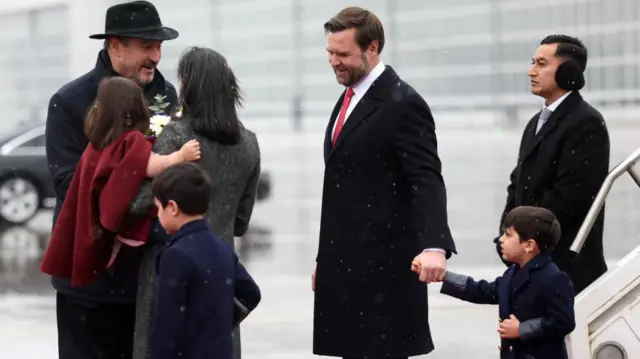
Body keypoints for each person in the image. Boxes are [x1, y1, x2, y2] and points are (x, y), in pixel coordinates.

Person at [312, 7, 457, 359]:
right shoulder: (347, 100)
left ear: (372, 48)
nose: (334, 62)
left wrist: (435, 245)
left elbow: (426, 179)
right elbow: (343, 187)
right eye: (330, 53)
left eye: (343, 54)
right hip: (347, 266)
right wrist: (325, 259)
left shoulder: (403, 104)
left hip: (385, 270)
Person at [42, 1, 179, 358]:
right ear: (115, 46)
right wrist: (136, 177)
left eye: (160, 47)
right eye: (147, 47)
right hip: (89, 275)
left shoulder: (166, 96)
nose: (157, 57)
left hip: (148, 275)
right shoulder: (71, 101)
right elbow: (70, 185)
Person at [129, 47, 261, 359]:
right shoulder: (249, 143)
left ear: (190, 86)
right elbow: (241, 222)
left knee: (159, 343)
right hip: (222, 270)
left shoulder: (176, 137)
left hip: (169, 265)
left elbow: (139, 204)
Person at [41, 77, 200, 287]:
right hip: (119, 224)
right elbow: (148, 165)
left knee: (93, 258)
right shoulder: (130, 140)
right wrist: (179, 157)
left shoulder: (98, 142)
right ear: (134, 111)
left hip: (93, 218)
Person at [494, 34, 610, 294]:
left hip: (565, 268)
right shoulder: (534, 123)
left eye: (541, 64)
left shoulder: (586, 122)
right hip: (531, 261)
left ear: (568, 71)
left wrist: (522, 237)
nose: (531, 71)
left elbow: (572, 196)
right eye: (532, 62)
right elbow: (517, 184)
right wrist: (506, 235)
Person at [148, 162, 261, 359]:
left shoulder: (176, 255)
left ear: (172, 207)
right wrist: (217, 323)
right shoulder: (221, 246)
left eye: (159, 208)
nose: (158, 215)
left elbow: (167, 326)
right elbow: (251, 293)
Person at [438, 206, 575, 359]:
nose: (501, 239)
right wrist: (444, 276)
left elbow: (563, 321)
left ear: (529, 245)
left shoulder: (554, 278)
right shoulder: (512, 273)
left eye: (508, 235)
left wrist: (521, 329)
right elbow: (484, 291)